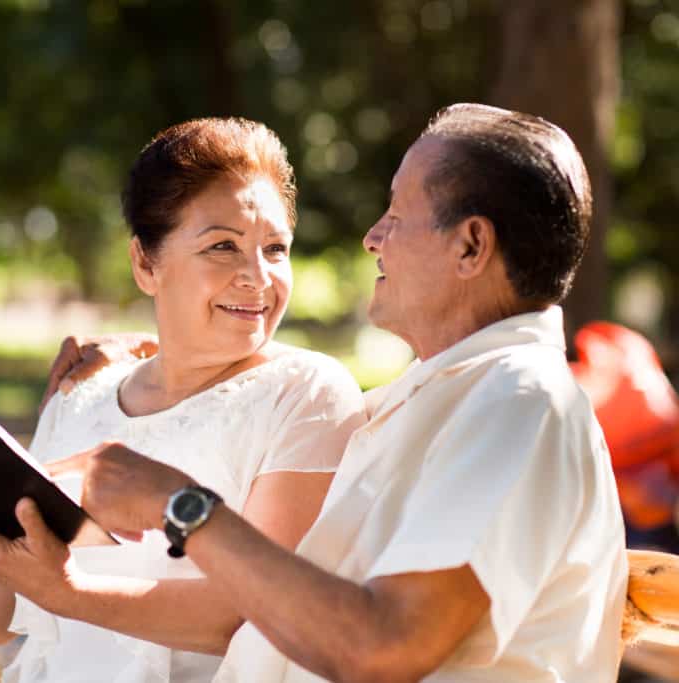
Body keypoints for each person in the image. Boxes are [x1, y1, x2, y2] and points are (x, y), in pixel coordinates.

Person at [43, 103, 629, 681]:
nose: (373, 237)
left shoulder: (519, 403)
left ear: (470, 246)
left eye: (398, 215)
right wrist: (156, 349)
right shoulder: (444, 395)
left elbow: (383, 647)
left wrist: (182, 507)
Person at [0, 117, 366, 682]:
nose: (257, 277)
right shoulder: (79, 394)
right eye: (223, 247)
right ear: (145, 263)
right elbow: (0, 618)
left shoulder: (308, 394)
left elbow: (255, 614)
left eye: (275, 248)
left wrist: (70, 592)